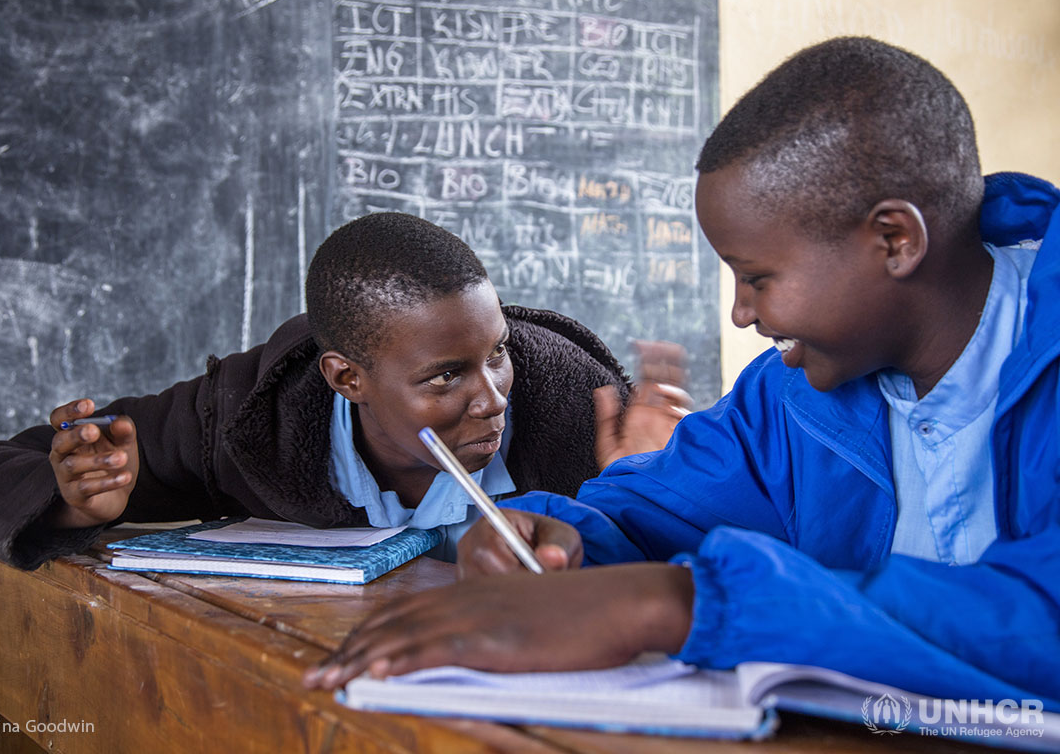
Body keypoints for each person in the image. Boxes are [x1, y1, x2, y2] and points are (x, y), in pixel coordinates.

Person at [304, 37, 1060, 710]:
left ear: (894, 240)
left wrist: (679, 602)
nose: (740, 313)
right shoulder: (789, 399)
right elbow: (649, 512)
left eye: (757, 276)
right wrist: (551, 537)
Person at [0, 211, 689, 570]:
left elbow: (705, 565)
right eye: (446, 376)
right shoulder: (252, 418)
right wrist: (70, 499)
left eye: (497, 356)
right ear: (345, 378)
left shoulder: (579, 413)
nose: (491, 396)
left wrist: (654, 485)